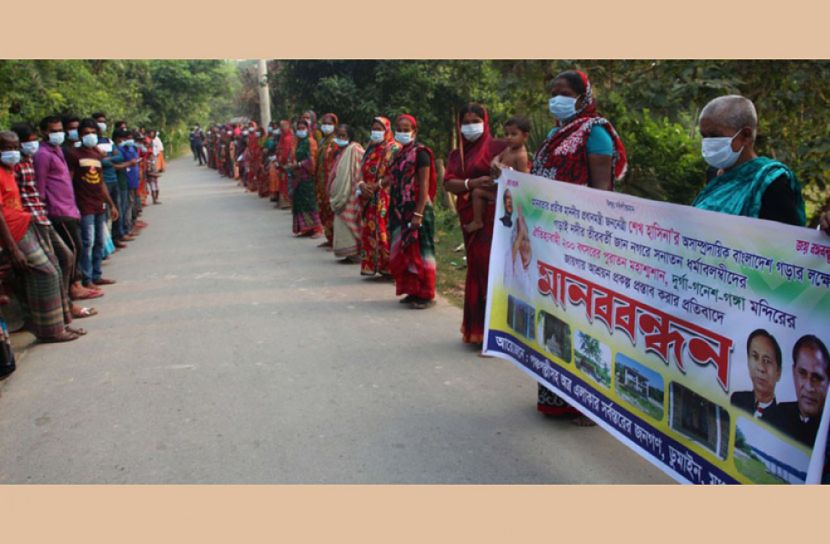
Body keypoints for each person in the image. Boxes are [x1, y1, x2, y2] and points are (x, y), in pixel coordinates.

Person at [530, 70, 628, 426]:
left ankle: (588, 403)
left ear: (583, 96)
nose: (557, 98)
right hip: (549, 241)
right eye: (553, 91)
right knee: (554, 314)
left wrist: (590, 241)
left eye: (565, 92)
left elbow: (601, 191)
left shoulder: (595, 131)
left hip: (582, 243)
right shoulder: (556, 133)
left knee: (583, 319)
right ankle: (555, 395)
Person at [12, 123, 96, 321]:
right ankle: (62, 308)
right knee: (61, 261)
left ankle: (65, 308)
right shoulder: (39, 157)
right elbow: (39, 189)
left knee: (65, 258)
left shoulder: (41, 156)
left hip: (47, 214)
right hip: (40, 217)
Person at [0, 131, 78, 342]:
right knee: (46, 273)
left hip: (26, 224)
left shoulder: (11, 169)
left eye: (15, 147)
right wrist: (12, 248)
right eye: (6, 148)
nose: (12, 152)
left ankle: (58, 323)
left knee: (54, 266)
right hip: (13, 233)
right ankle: (52, 330)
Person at [443, 103, 508, 343]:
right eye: (466, 122)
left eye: (475, 120)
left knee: (492, 269)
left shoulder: (499, 147)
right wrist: (472, 183)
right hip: (470, 217)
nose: (471, 126)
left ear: (485, 121)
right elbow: (449, 183)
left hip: (497, 217)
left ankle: (496, 332)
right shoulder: (456, 154)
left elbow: (518, 174)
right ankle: (478, 330)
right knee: (477, 267)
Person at [692, 95, 805, 226]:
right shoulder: (714, 173)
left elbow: (785, 239)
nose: (708, 142)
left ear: (746, 135)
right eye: (704, 136)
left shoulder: (771, 181)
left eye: (714, 135)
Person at [33, 116, 102, 301]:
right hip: (57, 210)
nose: (57, 134)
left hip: (69, 208)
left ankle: (75, 285)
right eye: (52, 131)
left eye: (59, 130)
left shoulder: (58, 151)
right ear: (44, 132)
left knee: (76, 248)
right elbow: (40, 187)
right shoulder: (42, 155)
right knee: (74, 249)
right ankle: (72, 287)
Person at [384, 114, 437, 310]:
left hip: (417, 208)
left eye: (407, 129)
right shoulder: (399, 153)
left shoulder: (421, 153)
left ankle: (426, 293)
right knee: (405, 251)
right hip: (400, 209)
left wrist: (418, 213)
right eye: (399, 128)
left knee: (422, 251)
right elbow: (392, 178)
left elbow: (423, 186)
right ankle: (412, 290)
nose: (402, 132)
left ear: (414, 132)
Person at [65, 119, 118, 289]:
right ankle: (86, 278)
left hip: (98, 203)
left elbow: (100, 182)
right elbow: (69, 180)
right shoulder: (74, 154)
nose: (90, 136)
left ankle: (96, 275)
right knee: (87, 242)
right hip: (83, 203)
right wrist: (72, 204)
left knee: (99, 242)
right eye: (86, 133)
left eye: (93, 133)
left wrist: (111, 203)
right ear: (80, 135)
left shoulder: (96, 155)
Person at [465, 116, 529, 234]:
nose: (509, 138)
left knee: (478, 193)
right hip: (498, 185)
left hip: (508, 194)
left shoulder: (521, 156)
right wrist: (495, 163)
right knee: (477, 192)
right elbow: (496, 157)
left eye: (513, 134)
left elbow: (523, 179)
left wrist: (508, 171)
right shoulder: (509, 149)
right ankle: (478, 221)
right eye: (506, 134)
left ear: (525, 136)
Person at [763, 335, 829, 448]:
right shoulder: (774, 415)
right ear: (794, 373)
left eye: (817, 377)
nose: (809, 387)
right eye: (802, 373)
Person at [357, 116, 401, 278]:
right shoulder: (370, 148)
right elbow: (360, 171)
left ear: (387, 130)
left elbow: (394, 173)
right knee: (369, 231)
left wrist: (378, 185)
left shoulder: (394, 148)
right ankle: (374, 265)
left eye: (380, 129)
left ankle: (389, 267)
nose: (376, 132)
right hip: (368, 196)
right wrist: (362, 185)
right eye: (374, 129)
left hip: (385, 196)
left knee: (384, 231)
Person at [328, 124, 365, 262]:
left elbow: (360, 167)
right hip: (341, 194)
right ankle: (348, 253)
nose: (340, 138)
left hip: (351, 193)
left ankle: (356, 253)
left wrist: (357, 187)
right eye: (338, 136)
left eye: (343, 136)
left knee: (351, 222)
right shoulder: (340, 152)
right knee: (341, 223)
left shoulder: (355, 149)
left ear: (350, 137)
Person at [730, 329, 783, 417]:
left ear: (778, 372)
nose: (761, 368)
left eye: (767, 360)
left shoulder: (782, 421)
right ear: (748, 360)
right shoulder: (737, 399)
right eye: (755, 357)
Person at [289, 119, 323, 238]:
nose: (301, 131)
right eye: (299, 128)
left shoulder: (310, 142)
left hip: (307, 177)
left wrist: (299, 164)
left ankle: (317, 228)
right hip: (297, 177)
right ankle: (305, 228)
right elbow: (293, 156)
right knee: (299, 202)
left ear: (308, 129)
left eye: (303, 128)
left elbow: (312, 159)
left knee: (309, 202)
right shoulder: (297, 142)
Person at [315, 113, 339, 248]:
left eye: (329, 123)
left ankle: (336, 240)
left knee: (332, 210)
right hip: (320, 181)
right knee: (323, 210)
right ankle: (329, 237)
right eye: (324, 123)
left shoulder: (335, 142)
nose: (326, 126)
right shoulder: (322, 141)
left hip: (331, 181)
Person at [275, 120, 294, 209]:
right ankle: (283, 202)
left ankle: (286, 202)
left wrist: (282, 162)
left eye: (284, 125)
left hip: (286, 164)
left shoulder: (288, 138)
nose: (282, 127)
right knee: (283, 183)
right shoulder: (283, 137)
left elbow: (286, 152)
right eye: (281, 126)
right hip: (282, 163)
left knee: (286, 183)